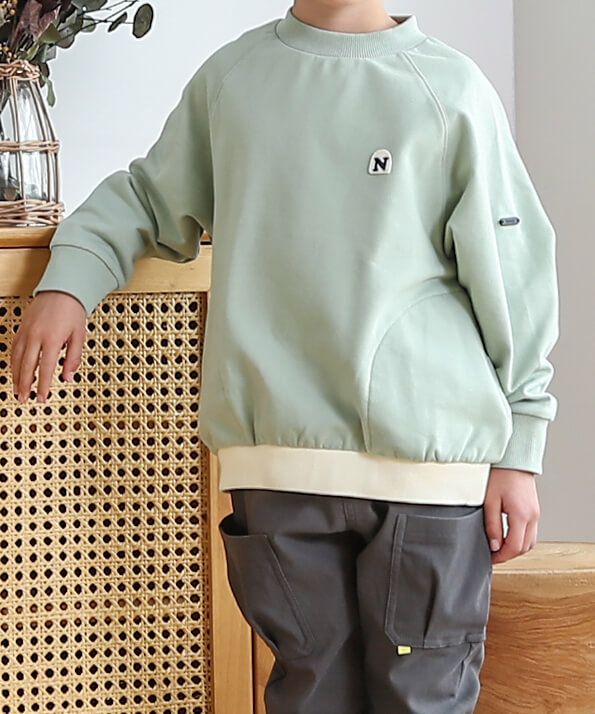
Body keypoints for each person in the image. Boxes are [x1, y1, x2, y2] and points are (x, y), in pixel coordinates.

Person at [10, 1, 560, 711]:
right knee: (312, 695)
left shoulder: (450, 89)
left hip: (429, 475)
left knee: (421, 696)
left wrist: (519, 444)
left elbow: (513, 272)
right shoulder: (234, 80)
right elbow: (146, 197)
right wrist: (70, 282)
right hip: (278, 471)